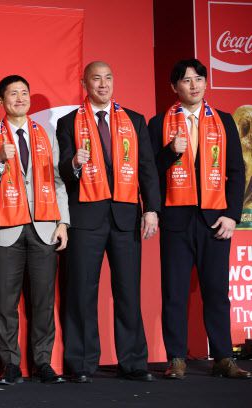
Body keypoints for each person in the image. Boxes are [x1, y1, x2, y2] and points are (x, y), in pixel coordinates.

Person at [56, 61, 161, 383]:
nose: (103, 84)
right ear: (84, 83)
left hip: (125, 216)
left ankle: (134, 362)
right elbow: (61, 171)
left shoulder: (134, 120)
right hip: (86, 216)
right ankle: (81, 363)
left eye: (108, 78)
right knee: (81, 292)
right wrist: (74, 163)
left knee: (128, 291)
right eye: (96, 79)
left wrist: (151, 209)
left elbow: (147, 167)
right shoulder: (68, 122)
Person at [148, 59, 249, 380]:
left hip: (215, 219)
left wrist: (232, 215)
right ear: (174, 87)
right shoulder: (159, 123)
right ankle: (176, 358)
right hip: (176, 219)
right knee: (174, 292)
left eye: (199, 79)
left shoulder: (223, 121)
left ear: (205, 83)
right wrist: (169, 152)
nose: (194, 85)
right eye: (186, 80)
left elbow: (237, 171)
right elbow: (148, 172)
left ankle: (223, 357)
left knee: (217, 291)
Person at [0, 75, 69, 385]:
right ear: (1, 101)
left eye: (24, 93)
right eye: (13, 94)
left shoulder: (46, 135)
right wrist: (0, 160)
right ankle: (10, 364)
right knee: (6, 303)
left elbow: (58, 181)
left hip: (44, 226)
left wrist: (63, 222)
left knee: (43, 301)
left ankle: (43, 362)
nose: (20, 98)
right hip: (6, 229)